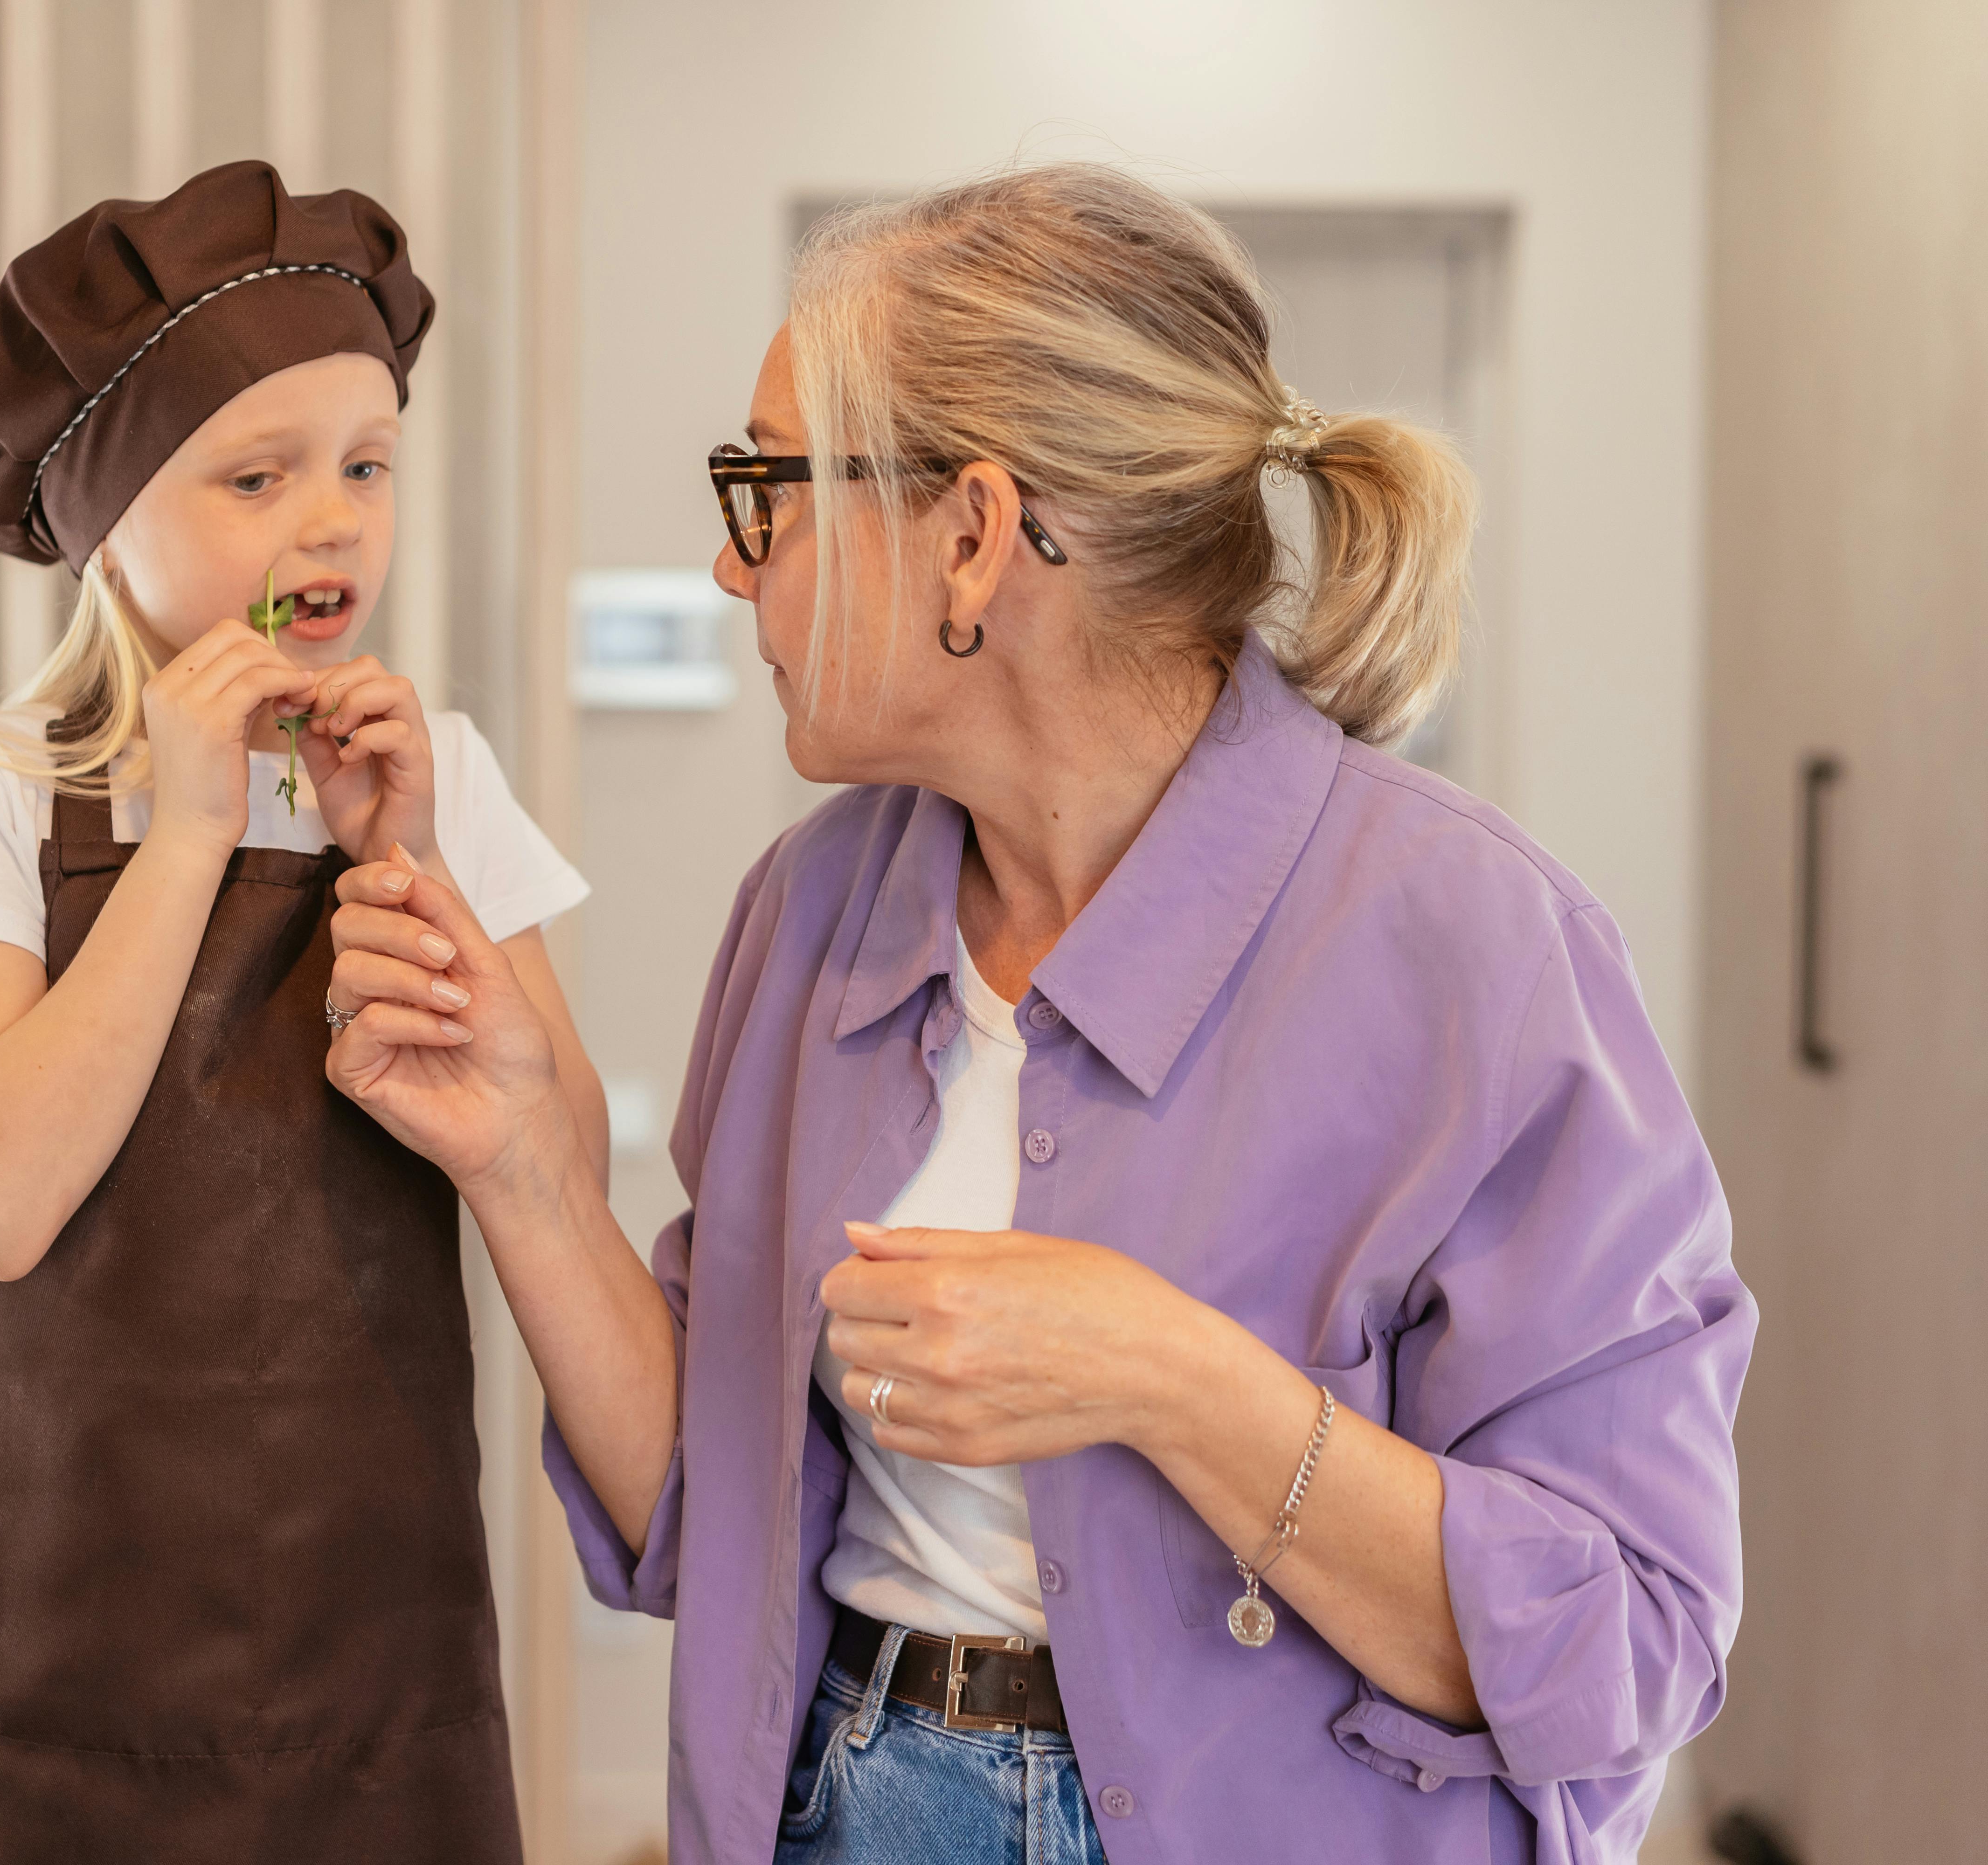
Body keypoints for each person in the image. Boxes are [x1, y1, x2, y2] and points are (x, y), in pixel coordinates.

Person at [320, 164, 1751, 1864]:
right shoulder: (807, 919)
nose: (728, 561)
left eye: (770, 489)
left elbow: (1635, 1644)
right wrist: (526, 1173)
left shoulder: (1483, 954)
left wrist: (1174, 1380)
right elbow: (711, 1537)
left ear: (976, 539)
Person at [0, 160, 600, 1863]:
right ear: (105, 521)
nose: (333, 521)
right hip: (61, 1669)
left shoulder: (439, 777)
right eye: (258, 474)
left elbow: (566, 1169)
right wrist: (191, 830)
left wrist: (417, 866)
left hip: (379, 1650)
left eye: (368, 468)